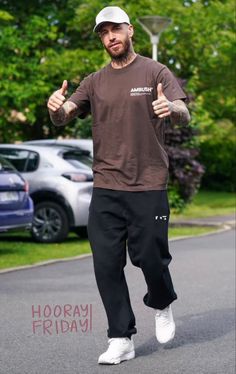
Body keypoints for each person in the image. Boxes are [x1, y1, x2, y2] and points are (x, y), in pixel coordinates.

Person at [47, 6, 190, 365]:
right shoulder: (94, 81)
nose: (110, 37)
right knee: (106, 264)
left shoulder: (155, 70)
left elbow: (184, 112)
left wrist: (170, 108)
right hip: (107, 185)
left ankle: (161, 302)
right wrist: (55, 108)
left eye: (115, 29)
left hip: (148, 183)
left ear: (129, 31)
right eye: (103, 32)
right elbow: (65, 116)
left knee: (150, 258)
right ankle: (120, 337)